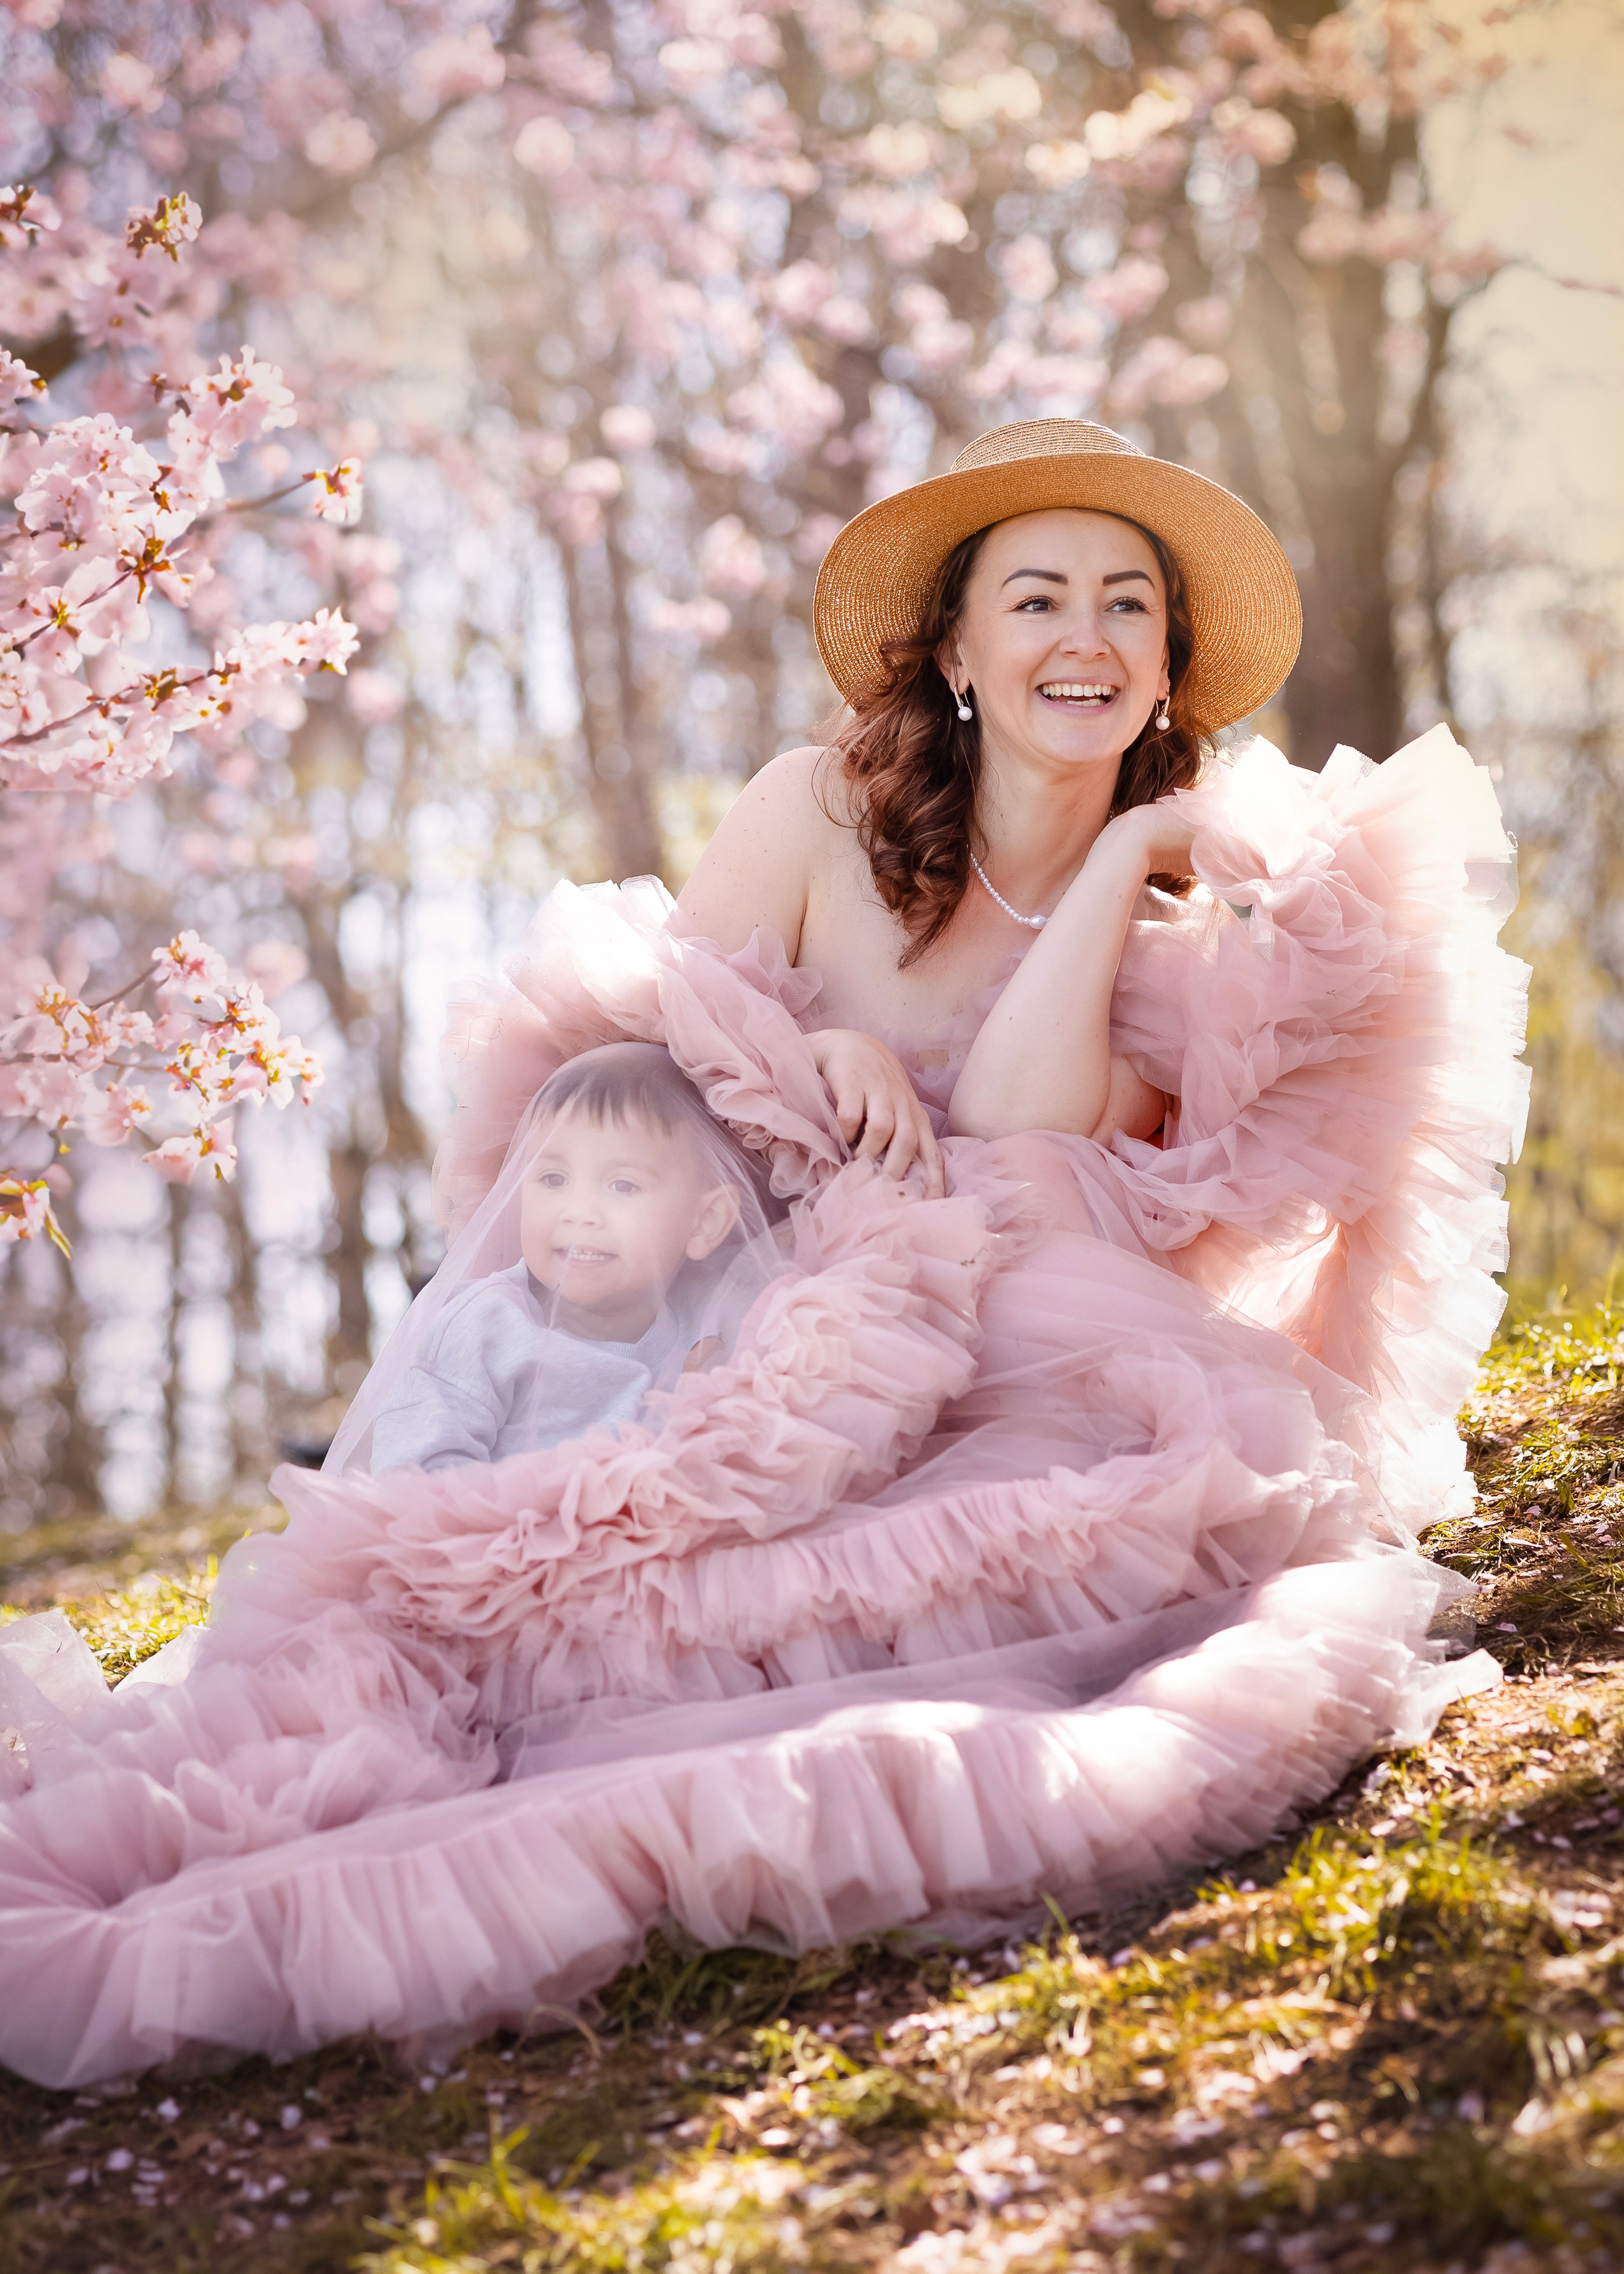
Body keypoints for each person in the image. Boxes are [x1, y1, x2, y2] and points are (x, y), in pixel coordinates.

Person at [0, 420, 1526, 2090]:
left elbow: (1025, 1121)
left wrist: (1110, 865)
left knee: (1004, 1527)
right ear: (956, 649)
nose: (1082, 639)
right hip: (768, 1323)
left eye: (1126, 609)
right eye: (1036, 600)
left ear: (1168, 668)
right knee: (533, 1632)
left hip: (1023, 1343)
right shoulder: (813, 814)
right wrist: (818, 1062)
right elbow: (639, 1093)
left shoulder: (1180, 929)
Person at [365, 1044, 756, 1474]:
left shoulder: (713, 1320)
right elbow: (409, 1477)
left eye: (623, 1185)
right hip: (497, 1536)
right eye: (554, 1178)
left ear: (705, 1222)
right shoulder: (487, 1326)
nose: (579, 1212)